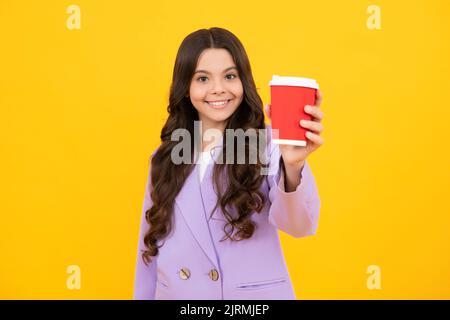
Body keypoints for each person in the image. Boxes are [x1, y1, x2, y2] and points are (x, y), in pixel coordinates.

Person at [134, 27, 325, 300]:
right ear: (185, 88)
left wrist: (292, 167)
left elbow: (299, 226)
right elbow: (149, 248)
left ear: (243, 81)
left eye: (230, 76)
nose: (218, 89)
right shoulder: (164, 157)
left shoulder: (270, 144)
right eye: (202, 78)